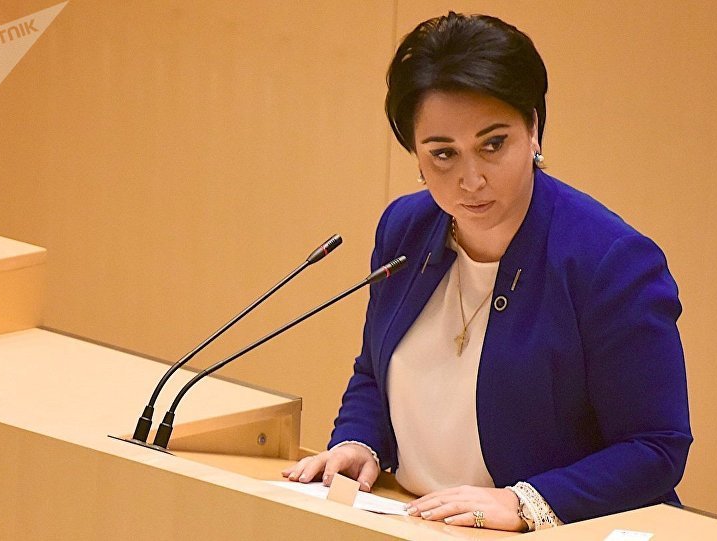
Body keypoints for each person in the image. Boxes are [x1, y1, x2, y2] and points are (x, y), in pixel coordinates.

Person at [283, 12, 692, 532]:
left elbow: (656, 447)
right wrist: (359, 440)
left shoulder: (609, 261)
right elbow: (375, 369)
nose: (470, 179)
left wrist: (526, 503)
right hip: (412, 522)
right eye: (443, 154)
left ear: (533, 129)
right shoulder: (405, 229)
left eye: (493, 144)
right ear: (416, 154)